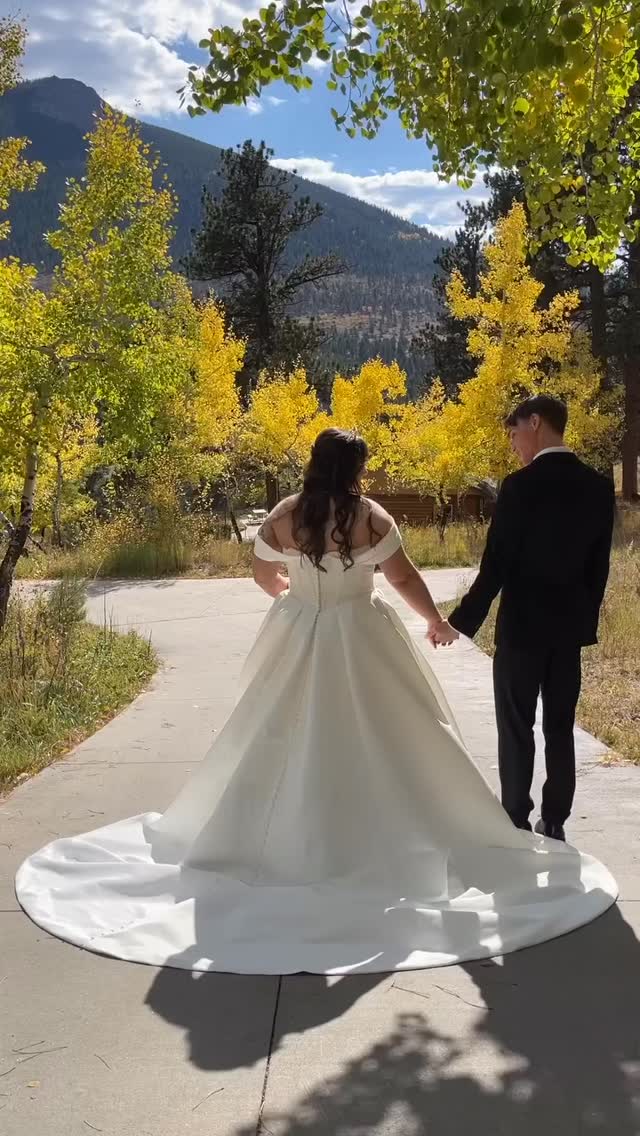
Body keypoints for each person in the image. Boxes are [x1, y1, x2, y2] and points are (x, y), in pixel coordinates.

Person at [15, 428, 616, 975]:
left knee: (275, 731)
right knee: (395, 732)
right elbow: (402, 577)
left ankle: (276, 839)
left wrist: (291, 594)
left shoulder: (284, 514)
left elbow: (260, 571)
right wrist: (434, 620)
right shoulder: (370, 516)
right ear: (353, 469)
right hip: (360, 630)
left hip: (299, 629)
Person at [433, 395, 615, 842]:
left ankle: (514, 814)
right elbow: (599, 568)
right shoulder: (597, 486)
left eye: (515, 433)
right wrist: (583, 621)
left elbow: (496, 565)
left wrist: (458, 622)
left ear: (536, 423)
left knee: (516, 724)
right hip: (568, 632)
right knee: (559, 723)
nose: (513, 444)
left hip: (521, 630)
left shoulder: (518, 487)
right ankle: (554, 818)